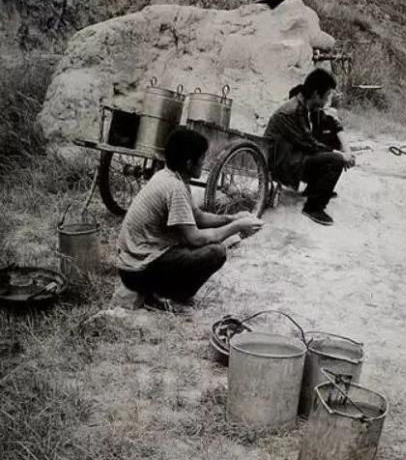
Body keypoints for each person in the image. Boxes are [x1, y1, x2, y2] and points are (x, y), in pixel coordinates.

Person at [116, 128, 264, 312]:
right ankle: (171, 297)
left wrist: (232, 218)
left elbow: (198, 216)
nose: (204, 163)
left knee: (208, 243)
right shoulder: (175, 187)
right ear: (189, 163)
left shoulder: (168, 176)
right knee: (216, 251)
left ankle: (161, 292)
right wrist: (237, 226)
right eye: (202, 158)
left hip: (131, 266)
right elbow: (195, 238)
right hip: (137, 272)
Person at [265, 69, 355, 226]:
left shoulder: (304, 107)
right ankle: (313, 208)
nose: (327, 100)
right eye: (327, 95)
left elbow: (326, 131)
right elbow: (309, 144)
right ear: (315, 94)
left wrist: (343, 151)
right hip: (282, 164)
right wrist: (340, 155)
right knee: (335, 160)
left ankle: (315, 190)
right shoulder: (292, 111)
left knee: (328, 147)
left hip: (291, 156)